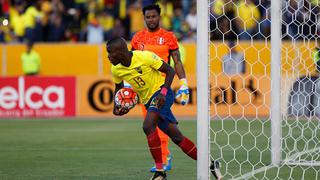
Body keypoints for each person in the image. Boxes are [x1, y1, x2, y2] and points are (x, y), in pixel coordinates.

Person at [106, 37, 222, 180]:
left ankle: (160, 172)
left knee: (148, 126)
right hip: (149, 101)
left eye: (110, 53)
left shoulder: (144, 56)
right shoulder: (116, 69)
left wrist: (163, 92)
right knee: (177, 137)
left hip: (162, 93)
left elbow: (170, 70)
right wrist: (117, 107)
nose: (108, 56)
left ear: (121, 51)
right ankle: (211, 164)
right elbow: (119, 88)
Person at [131, 4, 189, 172]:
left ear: (159, 17)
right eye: (148, 17)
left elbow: (176, 61)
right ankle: (166, 156)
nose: (151, 20)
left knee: (154, 122)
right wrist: (129, 85)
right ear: (144, 19)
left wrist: (184, 83)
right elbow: (131, 62)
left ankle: (163, 160)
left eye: (154, 16)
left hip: (162, 88)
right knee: (157, 124)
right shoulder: (137, 38)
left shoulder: (168, 37)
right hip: (145, 89)